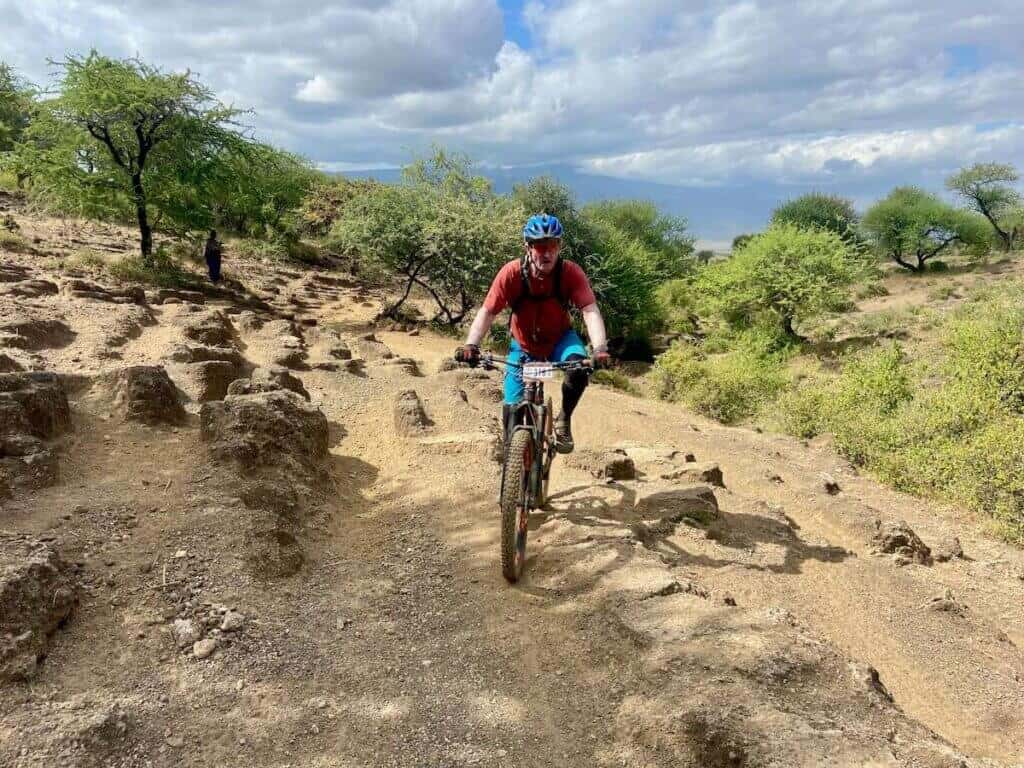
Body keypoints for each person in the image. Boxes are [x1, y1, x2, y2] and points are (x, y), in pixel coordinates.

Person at [456, 213, 611, 454]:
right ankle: (513, 465)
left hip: (561, 340)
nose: (547, 253)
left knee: (579, 370)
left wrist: (600, 348)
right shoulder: (511, 273)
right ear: (528, 247)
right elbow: (488, 311)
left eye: (552, 246)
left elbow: (589, 310)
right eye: (540, 247)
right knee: (511, 411)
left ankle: (564, 420)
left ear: (559, 246)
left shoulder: (570, 273)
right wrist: (471, 345)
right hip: (524, 345)